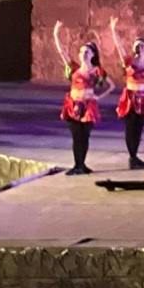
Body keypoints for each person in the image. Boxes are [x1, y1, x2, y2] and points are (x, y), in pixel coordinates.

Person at [52, 21, 113, 175]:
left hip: (88, 107)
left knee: (84, 136)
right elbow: (61, 52)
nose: (83, 54)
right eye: (81, 52)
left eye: (87, 52)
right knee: (75, 136)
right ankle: (77, 165)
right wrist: (56, 33)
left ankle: (82, 164)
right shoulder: (73, 68)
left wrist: (98, 97)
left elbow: (111, 86)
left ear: (92, 55)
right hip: (73, 105)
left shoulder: (97, 71)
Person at [106, 20, 144, 171]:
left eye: (142, 45)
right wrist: (113, 30)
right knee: (130, 126)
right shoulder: (129, 61)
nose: (140, 47)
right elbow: (119, 48)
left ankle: (135, 155)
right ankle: (132, 156)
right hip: (130, 97)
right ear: (134, 49)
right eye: (137, 46)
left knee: (139, 127)